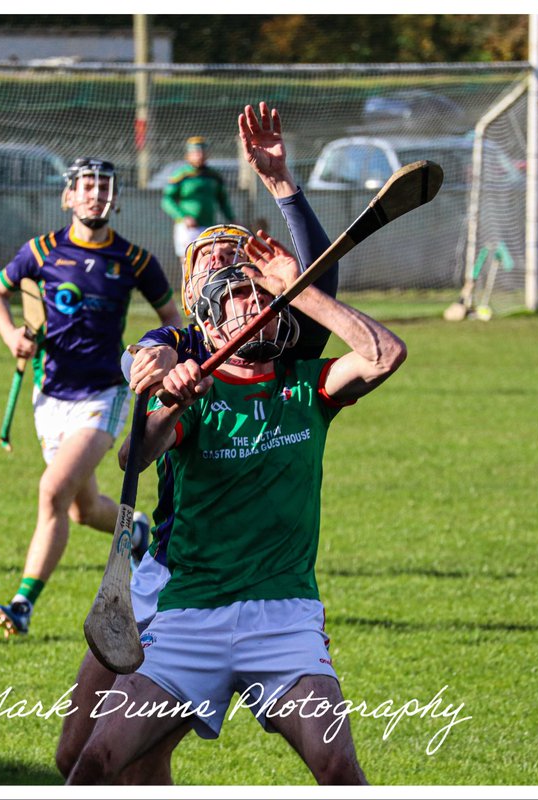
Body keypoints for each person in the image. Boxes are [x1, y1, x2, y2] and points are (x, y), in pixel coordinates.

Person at [55, 102, 344, 784]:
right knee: (77, 753)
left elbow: (320, 285)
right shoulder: (183, 341)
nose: (225, 265)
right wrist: (146, 369)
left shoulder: (274, 341)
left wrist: (282, 185)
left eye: (236, 256)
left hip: (230, 588)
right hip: (159, 572)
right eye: (209, 259)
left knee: (124, 754)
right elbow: (144, 356)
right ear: (191, 291)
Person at [67, 228, 406, 786]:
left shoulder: (309, 387)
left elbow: (385, 354)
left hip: (284, 620)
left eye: (267, 300)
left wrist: (300, 288)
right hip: (187, 618)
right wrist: (173, 403)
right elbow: (134, 456)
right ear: (210, 318)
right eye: (241, 297)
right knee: (91, 767)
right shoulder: (200, 394)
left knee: (339, 768)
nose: (257, 307)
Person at [0, 157, 182, 638]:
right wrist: (12, 335)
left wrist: (157, 352)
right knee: (81, 508)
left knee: (52, 491)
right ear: (68, 196)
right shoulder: (42, 250)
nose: (95, 194)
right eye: (87, 186)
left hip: (104, 395)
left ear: (113, 196)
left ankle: (23, 604)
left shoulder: (134, 260)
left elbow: (173, 320)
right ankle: (134, 531)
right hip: (49, 396)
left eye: (103, 187)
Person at [161, 135, 236, 264]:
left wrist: (233, 219)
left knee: (208, 263)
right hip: (188, 228)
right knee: (188, 263)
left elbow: (223, 201)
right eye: (195, 152)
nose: (199, 155)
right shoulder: (181, 175)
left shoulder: (214, 176)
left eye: (202, 151)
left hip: (209, 227)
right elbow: (167, 200)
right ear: (188, 155)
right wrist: (183, 217)